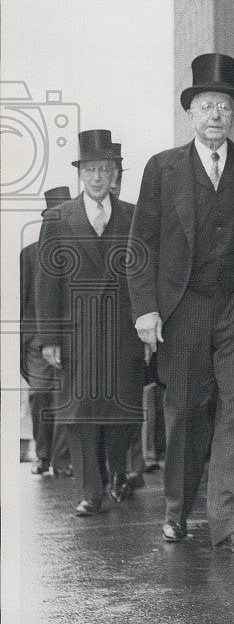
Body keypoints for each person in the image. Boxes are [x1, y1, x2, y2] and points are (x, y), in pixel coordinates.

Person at [127, 53, 234, 553]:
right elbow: (143, 243)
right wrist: (145, 308)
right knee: (186, 410)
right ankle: (177, 508)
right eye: (205, 106)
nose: (214, 114)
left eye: (223, 105)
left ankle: (227, 518)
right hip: (185, 306)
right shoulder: (162, 168)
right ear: (190, 114)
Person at [36, 131, 145, 516]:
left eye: (105, 169)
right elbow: (47, 283)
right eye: (90, 169)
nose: (97, 177)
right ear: (81, 174)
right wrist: (49, 338)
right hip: (76, 332)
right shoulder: (58, 218)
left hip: (122, 332)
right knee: (80, 413)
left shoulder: (134, 215)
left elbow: (145, 272)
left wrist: (147, 324)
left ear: (115, 173)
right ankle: (89, 492)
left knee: (122, 410)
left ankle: (117, 469)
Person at [20, 187, 73, 477]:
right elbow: (21, 300)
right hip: (36, 341)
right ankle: (42, 455)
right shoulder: (28, 255)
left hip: (69, 338)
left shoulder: (78, 252)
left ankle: (62, 459)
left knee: (66, 398)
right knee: (41, 396)